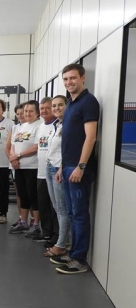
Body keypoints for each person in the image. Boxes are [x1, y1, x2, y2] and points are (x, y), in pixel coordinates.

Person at [52, 63, 100, 274]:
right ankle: (72, 253)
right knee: (72, 213)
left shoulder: (89, 102)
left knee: (79, 214)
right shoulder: (71, 103)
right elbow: (68, 141)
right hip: (68, 167)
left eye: (73, 78)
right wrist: (63, 167)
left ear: (82, 78)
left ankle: (79, 260)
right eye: (65, 79)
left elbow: (91, 137)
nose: (69, 82)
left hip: (79, 169)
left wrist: (81, 166)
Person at [8, 100, 42, 234]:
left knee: (33, 196)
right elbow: (13, 145)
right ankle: (23, 222)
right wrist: (13, 158)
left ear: (37, 113)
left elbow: (35, 147)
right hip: (19, 168)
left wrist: (17, 155)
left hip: (32, 167)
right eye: (26, 111)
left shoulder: (39, 126)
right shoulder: (22, 126)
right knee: (23, 195)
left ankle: (36, 224)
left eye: (31, 111)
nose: (27, 113)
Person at [43, 95, 70, 258]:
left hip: (58, 169)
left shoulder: (69, 125)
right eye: (54, 106)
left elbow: (70, 149)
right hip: (49, 166)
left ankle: (61, 245)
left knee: (62, 209)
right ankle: (64, 240)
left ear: (67, 106)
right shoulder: (56, 125)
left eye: (60, 105)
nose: (56, 108)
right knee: (56, 207)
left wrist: (62, 167)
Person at [32, 97, 59, 243]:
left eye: (47, 108)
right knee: (43, 205)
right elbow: (38, 146)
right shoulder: (41, 127)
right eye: (42, 108)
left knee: (55, 206)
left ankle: (56, 235)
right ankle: (46, 232)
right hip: (41, 172)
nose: (44, 111)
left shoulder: (58, 125)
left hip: (54, 172)